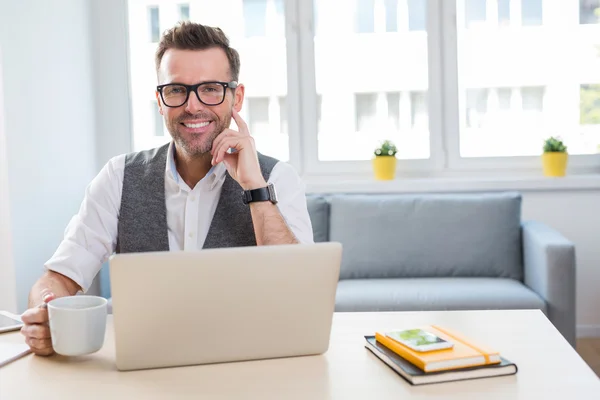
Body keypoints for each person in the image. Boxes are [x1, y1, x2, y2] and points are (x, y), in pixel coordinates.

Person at [20, 22, 314, 356]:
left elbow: (301, 294)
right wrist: (44, 313)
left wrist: (255, 187)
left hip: (247, 365)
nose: (193, 106)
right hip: (145, 368)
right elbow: (58, 277)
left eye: (211, 88)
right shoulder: (118, 177)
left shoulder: (277, 178)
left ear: (237, 97)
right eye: (176, 90)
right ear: (160, 101)